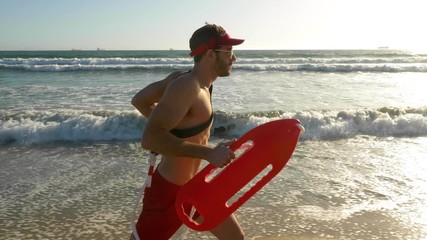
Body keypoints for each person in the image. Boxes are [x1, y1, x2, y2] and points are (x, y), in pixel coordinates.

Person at [131, 24, 245, 240]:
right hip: (168, 193)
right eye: (229, 52)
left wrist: (175, 128)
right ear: (211, 54)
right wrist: (208, 153)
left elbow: (140, 100)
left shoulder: (200, 84)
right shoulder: (186, 85)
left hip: (195, 187)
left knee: (235, 237)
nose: (234, 58)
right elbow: (150, 138)